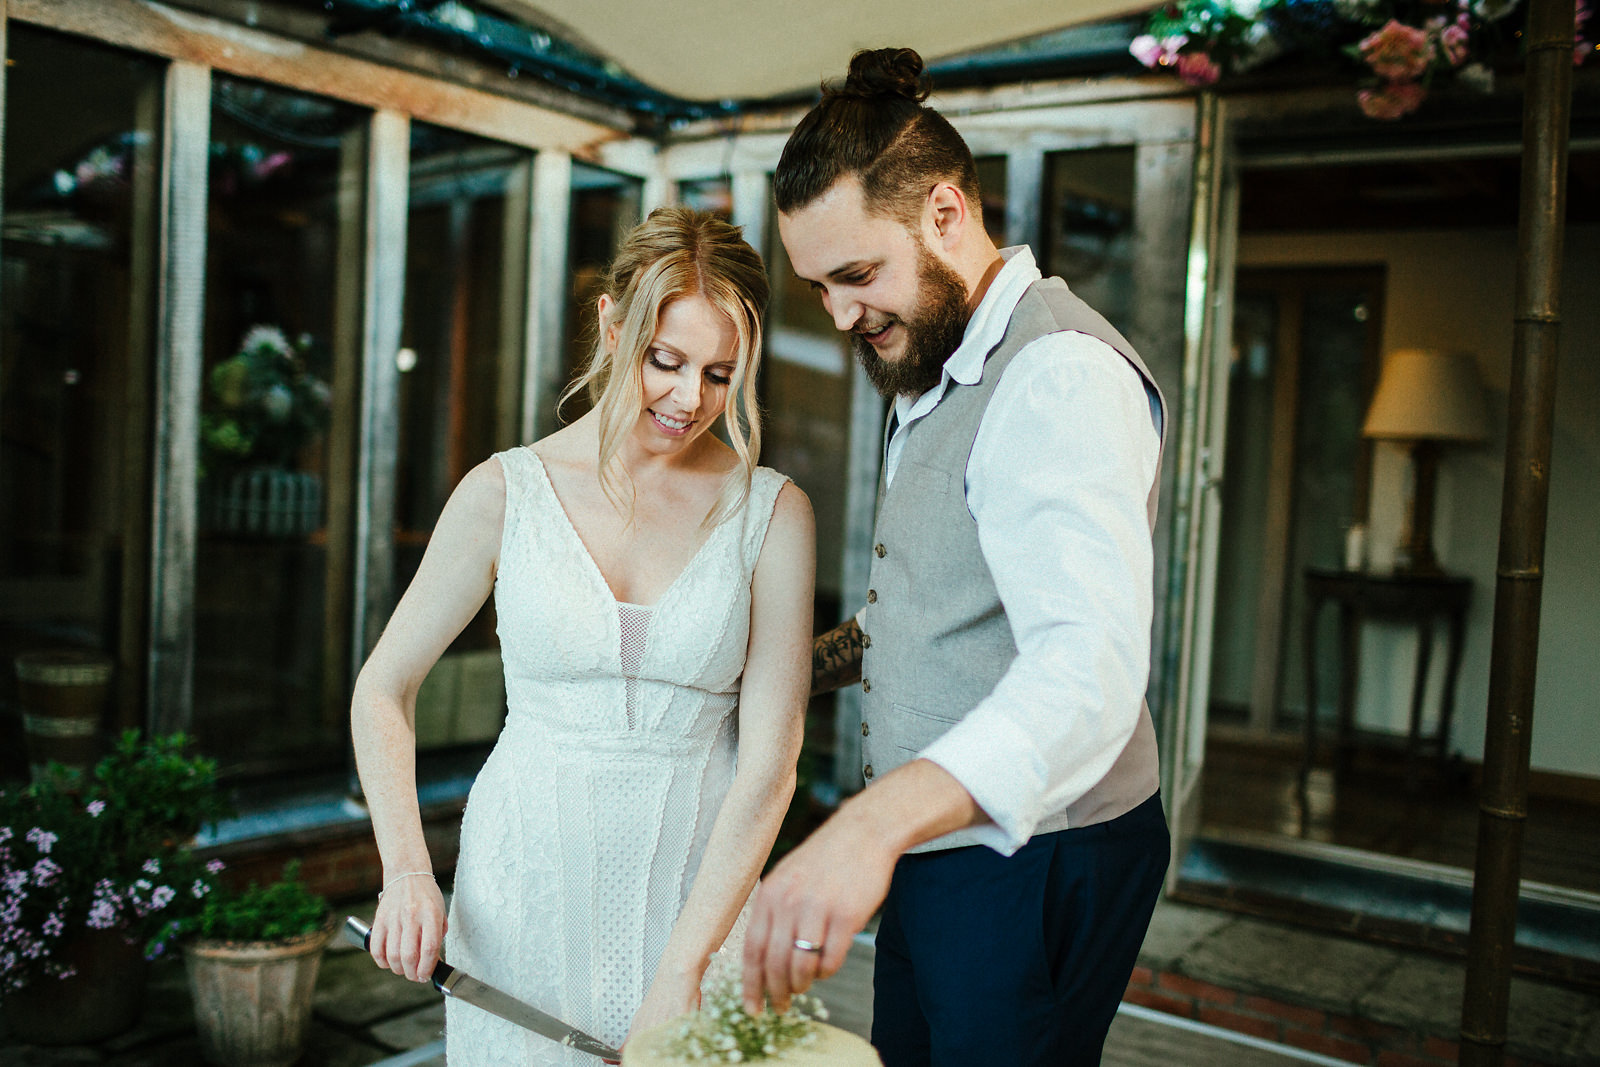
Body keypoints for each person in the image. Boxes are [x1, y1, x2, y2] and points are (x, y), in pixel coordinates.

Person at [741, 48, 1171, 1066]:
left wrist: (861, 824)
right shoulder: (938, 365)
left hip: (1036, 855)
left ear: (945, 211)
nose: (840, 314)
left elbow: (1089, 672)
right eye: (818, 287)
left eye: (856, 275)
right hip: (938, 845)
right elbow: (923, 613)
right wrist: (774, 674)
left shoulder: (1056, 373)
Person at [352, 207, 815, 1065]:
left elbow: (771, 763)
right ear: (610, 324)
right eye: (664, 361)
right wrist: (409, 870)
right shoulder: (504, 492)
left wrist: (685, 970)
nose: (689, 398)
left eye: (720, 374)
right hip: (522, 891)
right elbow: (383, 688)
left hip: (700, 906)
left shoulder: (773, 514)